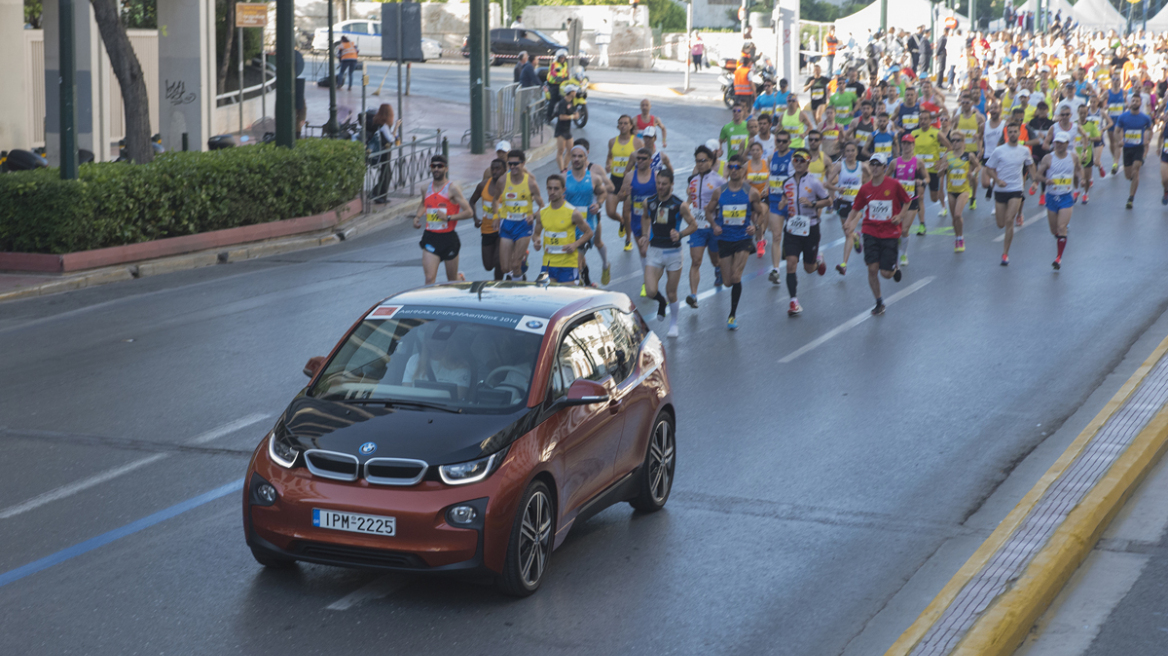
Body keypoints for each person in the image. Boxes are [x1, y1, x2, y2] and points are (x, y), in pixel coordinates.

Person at [705, 154, 765, 330]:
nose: (733, 170)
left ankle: (732, 315)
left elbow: (760, 213)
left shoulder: (751, 192)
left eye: (737, 167)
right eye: (730, 167)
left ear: (743, 170)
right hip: (724, 238)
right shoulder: (720, 191)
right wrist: (714, 224)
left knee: (736, 277)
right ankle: (731, 308)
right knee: (727, 282)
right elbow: (708, 211)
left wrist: (756, 226)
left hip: (743, 238)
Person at [848, 154, 910, 315]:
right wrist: (848, 222)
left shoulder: (894, 184)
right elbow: (856, 208)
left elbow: (907, 201)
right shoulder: (865, 188)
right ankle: (879, 302)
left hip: (890, 233)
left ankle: (894, 270)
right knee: (872, 269)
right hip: (870, 231)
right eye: (872, 164)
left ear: (884, 167)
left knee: (886, 274)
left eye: (878, 165)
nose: (874, 167)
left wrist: (900, 216)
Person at [640, 169, 697, 337]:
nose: (660, 187)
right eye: (658, 183)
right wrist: (644, 235)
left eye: (664, 184)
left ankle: (674, 323)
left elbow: (693, 225)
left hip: (673, 252)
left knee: (671, 292)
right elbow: (645, 217)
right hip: (655, 250)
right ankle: (661, 301)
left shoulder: (680, 205)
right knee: (650, 291)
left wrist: (680, 234)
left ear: (672, 185)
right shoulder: (649, 202)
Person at [777, 148, 830, 316]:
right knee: (791, 263)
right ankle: (793, 301)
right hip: (792, 229)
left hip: (810, 228)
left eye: (802, 160)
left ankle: (818, 260)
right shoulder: (786, 183)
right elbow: (784, 199)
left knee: (808, 268)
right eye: (796, 160)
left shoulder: (814, 182)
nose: (798, 163)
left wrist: (813, 204)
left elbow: (828, 200)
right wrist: (782, 203)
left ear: (808, 163)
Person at [983, 122, 1038, 266]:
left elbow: (1030, 165)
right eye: (1010, 132)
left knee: (1009, 220)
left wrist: (1035, 181)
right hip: (1001, 190)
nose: (1013, 134)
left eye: (1015, 131)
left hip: (1016, 189)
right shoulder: (999, 150)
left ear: (1019, 133)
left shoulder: (1025, 150)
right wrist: (997, 180)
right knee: (1001, 224)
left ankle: (1005, 254)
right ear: (1007, 134)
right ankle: (1005, 249)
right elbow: (989, 168)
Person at [413, 155, 472, 285]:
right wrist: (417, 216)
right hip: (431, 237)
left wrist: (449, 217)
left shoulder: (452, 189)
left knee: (452, 280)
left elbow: (469, 212)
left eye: (440, 166)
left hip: (449, 238)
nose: (436, 169)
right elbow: (424, 203)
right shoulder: (425, 188)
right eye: (433, 166)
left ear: (446, 169)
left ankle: (460, 278)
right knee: (429, 279)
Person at [563, 141, 613, 286]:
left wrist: (598, 204)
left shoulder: (594, 178)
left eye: (580, 156)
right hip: (568, 226)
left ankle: (579, 289)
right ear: (570, 158)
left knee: (574, 263)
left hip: (586, 227)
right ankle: (587, 284)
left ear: (586, 158)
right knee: (576, 261)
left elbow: (602, 192)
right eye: (574, 156)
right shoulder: (564, 178)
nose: (577, 159)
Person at [685, 144, 726, 307]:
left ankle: (718, 269)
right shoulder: (693, 181)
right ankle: (693, 295)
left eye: (703, 161)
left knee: (715, 260)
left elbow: (726, 202)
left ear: (711, 161)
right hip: (697, 228)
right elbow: (690, 200)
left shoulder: (719, 180)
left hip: (714, 226)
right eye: (697, 161)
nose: (700, 164)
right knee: (695, 261)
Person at [533, 174, 592, 284]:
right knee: (546, 297)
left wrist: (575, 244)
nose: (552, 192)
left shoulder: (573, 213)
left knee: (567, 297)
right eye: (549, 188)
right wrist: (536, 241)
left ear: (563, 190)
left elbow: (589, 232)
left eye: (556, 188)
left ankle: (580, 282)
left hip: (567, 264)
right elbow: (536, 234)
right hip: (548, 264)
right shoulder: (542, 213)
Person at [1035, 133, 1081, 270]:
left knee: (1061, 227)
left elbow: (1078, 170)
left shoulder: (1073, 157)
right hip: (1051, 197)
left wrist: (1081, 179)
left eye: (1062, 142)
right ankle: (1061, 237)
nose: (1059, 145)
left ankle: (1058, 258)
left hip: (1066, 197)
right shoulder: (1048, 158)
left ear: (1067, 143)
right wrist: (1045, 180)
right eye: (1057, 142)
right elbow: (1037, 175)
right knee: (1054, 230)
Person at [499, 149, 545, 280]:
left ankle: (517, 291)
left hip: (524, 225)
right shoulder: (503, 181)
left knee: (515, 265)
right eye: (510, 164)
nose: (512, 167)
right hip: (507, 224)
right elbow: (494, 200)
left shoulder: (530, 182)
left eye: (516, 164)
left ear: (523, 163)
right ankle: (518, 274)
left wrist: (534, 216)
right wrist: (497, 217)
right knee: (505, 268)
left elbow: (542, 206)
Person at [619, 148, 659, 296]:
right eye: (638, 158)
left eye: (643, 158)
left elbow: (663, 197)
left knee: (644, 250)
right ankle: (649, 279)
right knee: (644, 254)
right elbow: (620, 197)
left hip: (651, 221)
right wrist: (624, 193)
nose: (640, 161)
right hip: (636, 220)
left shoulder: (655, 177)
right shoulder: (629, 176)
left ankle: (647, 282)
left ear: (650, 161)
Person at [829, 141, 868, 274]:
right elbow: (827, 183)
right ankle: (856, 237)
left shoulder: (862, 166)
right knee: (848, 232)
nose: (850, 153)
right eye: (848, 151)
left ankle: (844, 264)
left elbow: (874, 179)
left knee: (848, 230)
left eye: (853, 150)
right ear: (844, 153)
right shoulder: (839, 166)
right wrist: (837, 189)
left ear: (857, 152)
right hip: (843, 203)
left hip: (857, 205)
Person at [605, 116, 643, 250]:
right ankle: (621, 222)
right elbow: (609, 156)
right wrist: (608, 164)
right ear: (617, 126)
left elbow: (642, 161)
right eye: (620, 123)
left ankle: (628, 240)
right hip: (614, 180)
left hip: (629, 182)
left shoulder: (637, 142)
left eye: (626, 123)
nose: (623, 126)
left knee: (627, 212)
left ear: (631, 126)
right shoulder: (612, 142)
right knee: (610, 211)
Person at [937, 132, 978, 253]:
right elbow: (939, 174)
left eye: (958, 140)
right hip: (951, 191)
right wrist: (942, 170)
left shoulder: (968, 155)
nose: (954, 143)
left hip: (964, 190)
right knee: (954, 219)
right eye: (953, 140)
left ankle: (960, 238)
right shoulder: (947, 156)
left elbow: (978, 166)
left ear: (963, 142)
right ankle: (957, 236)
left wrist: (973, 174)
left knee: (957, 215)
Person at [911, 108, 950, 232]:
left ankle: (942, 203)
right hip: (918, 171)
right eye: (921, 119)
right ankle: (922, 224)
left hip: (933, 170)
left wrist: (942, 161)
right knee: (920, 197)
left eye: (925, 119)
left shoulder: (936, 133)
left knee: (934, 198)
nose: (923, 121)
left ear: (931, 120)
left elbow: (950, 147)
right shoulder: (914, 133)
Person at [892, 134, 927, 267]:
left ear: (913, 146)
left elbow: (927, 178)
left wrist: (921, 181)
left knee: (905, 229)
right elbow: (886, 178)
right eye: (904, 143)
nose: (906, 146)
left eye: (909, 144)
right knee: (896, 228)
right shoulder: (894, 163)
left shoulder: (918, 162)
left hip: (912, 199)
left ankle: (903, 253)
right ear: (901, 145)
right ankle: (897, 248)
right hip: (897, 200)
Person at [468, 158, 506, 280]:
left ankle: (498, 286)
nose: (495, 171)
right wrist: (475, 218)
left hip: (504, 230)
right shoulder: (483, 185)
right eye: (493, 169)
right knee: (488, 265)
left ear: (504, 170)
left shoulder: (509, 187)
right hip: (487, 229)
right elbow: (472, 201)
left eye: (498, 169)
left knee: (498, 261)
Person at [765, 130, 794, 284]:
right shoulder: (772, 157)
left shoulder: (794, 157)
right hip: (775, 202)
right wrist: (766, 187)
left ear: (789, 142)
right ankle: (776, 269)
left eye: (784, 141)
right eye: (778, 141)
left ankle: (815, 255)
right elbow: (772, 176)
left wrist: (788, 197)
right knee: (776, 236)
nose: (781, 144)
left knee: (796, 235)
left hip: (790, 203)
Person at [1114, 95, 1152, 209]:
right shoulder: (1123, 117)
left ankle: (1131, 198)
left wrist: (1148, 140)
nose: (1135, 102)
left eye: (1137, 100)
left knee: (1136, 170)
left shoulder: (1145, 118)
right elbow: (1116, 131)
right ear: (1130, 103)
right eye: (1133, 100)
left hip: (1138, 147)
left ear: (1141, 103)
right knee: (1128, 175)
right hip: (1127, 148)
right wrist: (1119, 141)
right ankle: (1132, 179)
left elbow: (1150, 130)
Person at [370, 104, 398, 203]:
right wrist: (395, 130)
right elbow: (390, 139)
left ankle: (377, 194)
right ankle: (379, 195)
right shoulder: (384, 126)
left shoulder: (378, 122)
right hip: (384, 153)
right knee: (386, 173)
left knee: (385, 173)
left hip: (380, 152)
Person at [554, 84, 579, 171]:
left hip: (568, 130)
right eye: (574, 91)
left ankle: (565, 167)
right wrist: (573, 117)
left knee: (571, 150)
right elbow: (561, 117)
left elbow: (573, 112)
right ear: (570, 92)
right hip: (561, 130)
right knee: (560, 150)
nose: (576, 93)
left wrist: (576, 114)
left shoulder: (571, 102)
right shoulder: (563, 103)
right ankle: (561, 170)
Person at [546, 49, 570, 123]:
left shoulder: (565, 64)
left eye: (563, 58)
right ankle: (548, 117)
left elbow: (567, 72)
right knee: (553, 100)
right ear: (558, 58)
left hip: (562, 83)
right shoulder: (554, 64)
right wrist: (558, 78)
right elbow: (553, 73)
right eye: (561, 57)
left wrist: (570, 78)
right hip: (554, 83)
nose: (562, 59)